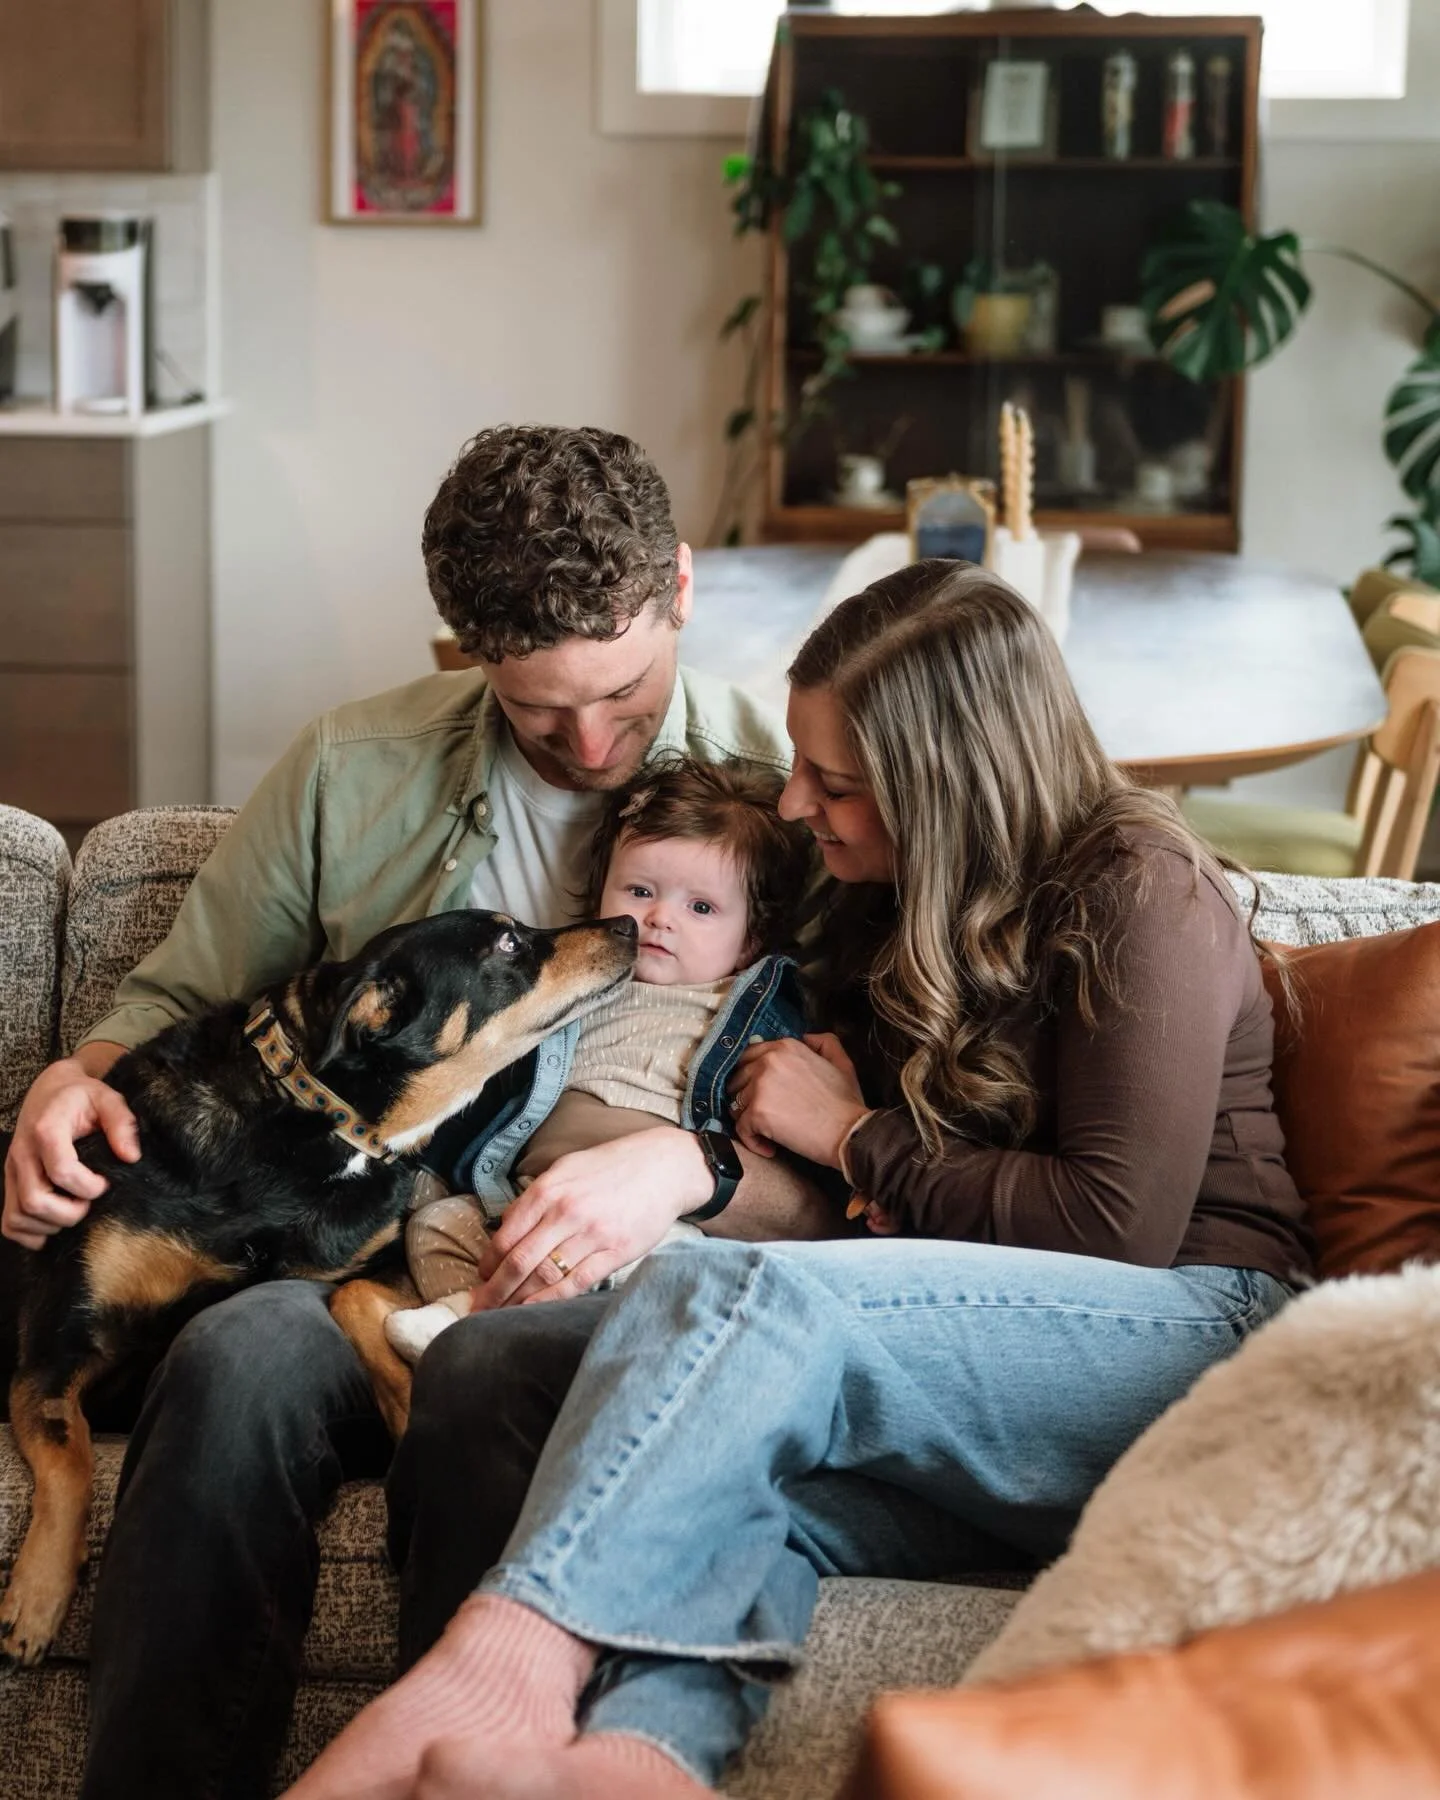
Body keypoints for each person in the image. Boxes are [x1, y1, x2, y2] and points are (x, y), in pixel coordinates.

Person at [286, 559, 1315, 1800]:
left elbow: (1116, 1225)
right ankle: (636, 1764)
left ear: (944, 782)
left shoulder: (1141, 889)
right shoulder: (893, 906)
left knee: (733, 1295)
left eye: (834, 782)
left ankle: (492, 1675)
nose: (794, 800)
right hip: (983, 1395)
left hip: (1192, 1341)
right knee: (711, 1477)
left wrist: (853, 1137)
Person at [0, 424, 831, 1800]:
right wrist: (65, 1082)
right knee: (235, 1359)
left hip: (656, 1264)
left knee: (487, 1391)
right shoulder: (351, 769)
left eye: (623, 692)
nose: (590, 744)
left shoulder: (792, 797)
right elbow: (168, 1001)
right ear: (468, 653)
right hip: (380, 1253)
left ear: (682, 588)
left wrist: (687, 1164)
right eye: (538, 709)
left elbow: (865, 1156)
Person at [390, 753, 813, 1363]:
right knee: (436, 1225)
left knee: (669, 1261)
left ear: (750, 940)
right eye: (640, 891)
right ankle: (480, 1316)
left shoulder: (754, 1007)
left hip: (664, 1221)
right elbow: (487, 1080)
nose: (660, 918)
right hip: (524, 1198)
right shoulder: (570, 988)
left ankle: (514, 1329)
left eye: (701, 908)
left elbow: (785, 1117)